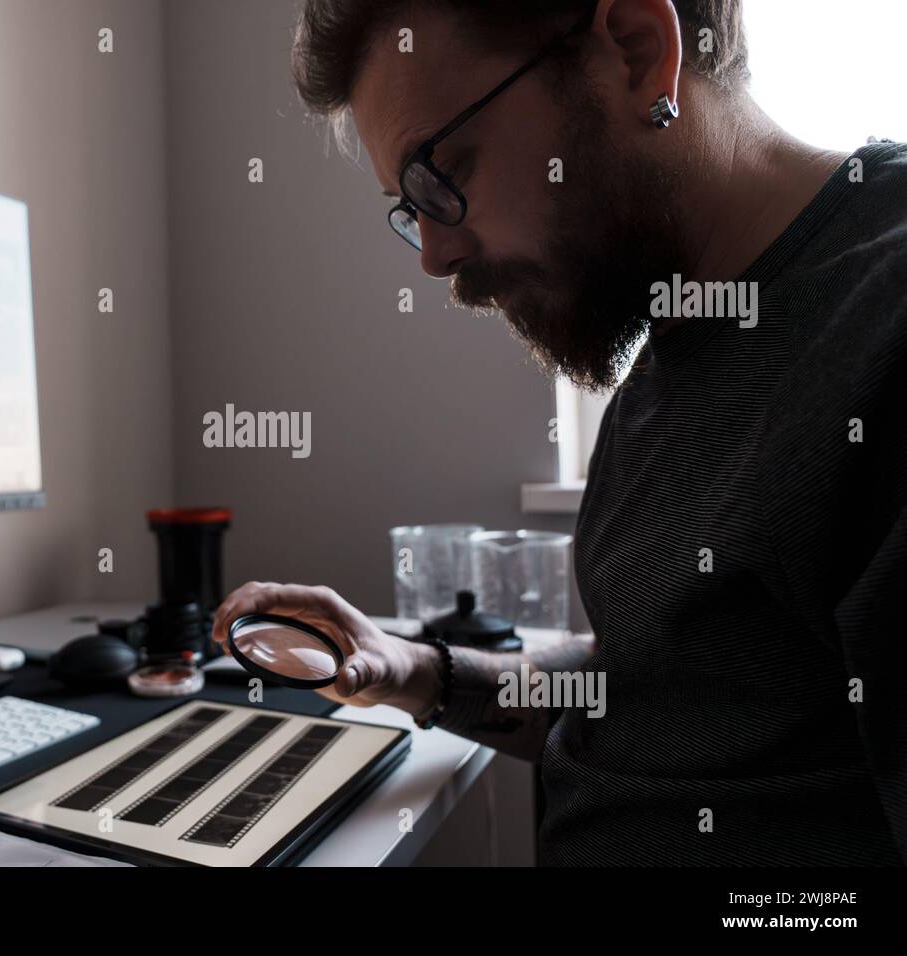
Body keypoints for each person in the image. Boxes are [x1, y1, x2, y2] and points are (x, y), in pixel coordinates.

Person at [211, 0, 906, 865]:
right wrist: (414, 669)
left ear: (637, 50)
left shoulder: (886, 329)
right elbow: (651, 691)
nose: (433, 255)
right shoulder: (669, 354)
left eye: (443, 169)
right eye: (408, 207)